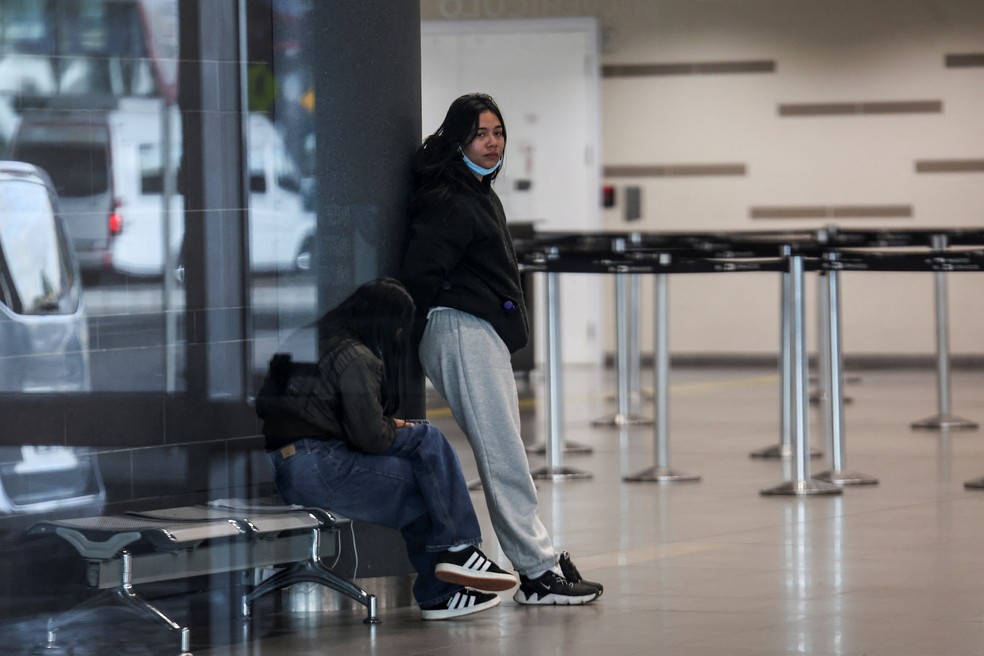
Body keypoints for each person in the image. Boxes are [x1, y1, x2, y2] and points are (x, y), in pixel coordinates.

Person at [399, 93, 603, 605]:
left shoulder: (476, 191)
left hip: (478, 331)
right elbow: (421, 274)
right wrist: (412, 331)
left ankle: (540, 561)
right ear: (458, 140)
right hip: (459, 329)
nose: (492, 143)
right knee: (503, 454)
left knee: (505, 449)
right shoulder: (449, 198)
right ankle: (536, 571)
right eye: (480, 135)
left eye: (498, 133)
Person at [256, 277, 517, 620]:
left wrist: (387, 425)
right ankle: (456, 556)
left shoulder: (317, 338)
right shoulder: (356, 356)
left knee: (423, 479)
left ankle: (445, 586)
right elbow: (372, 438)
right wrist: (394, 426)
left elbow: (277, 407)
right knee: (428, 441)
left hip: (295, 464)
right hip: (319, 467)